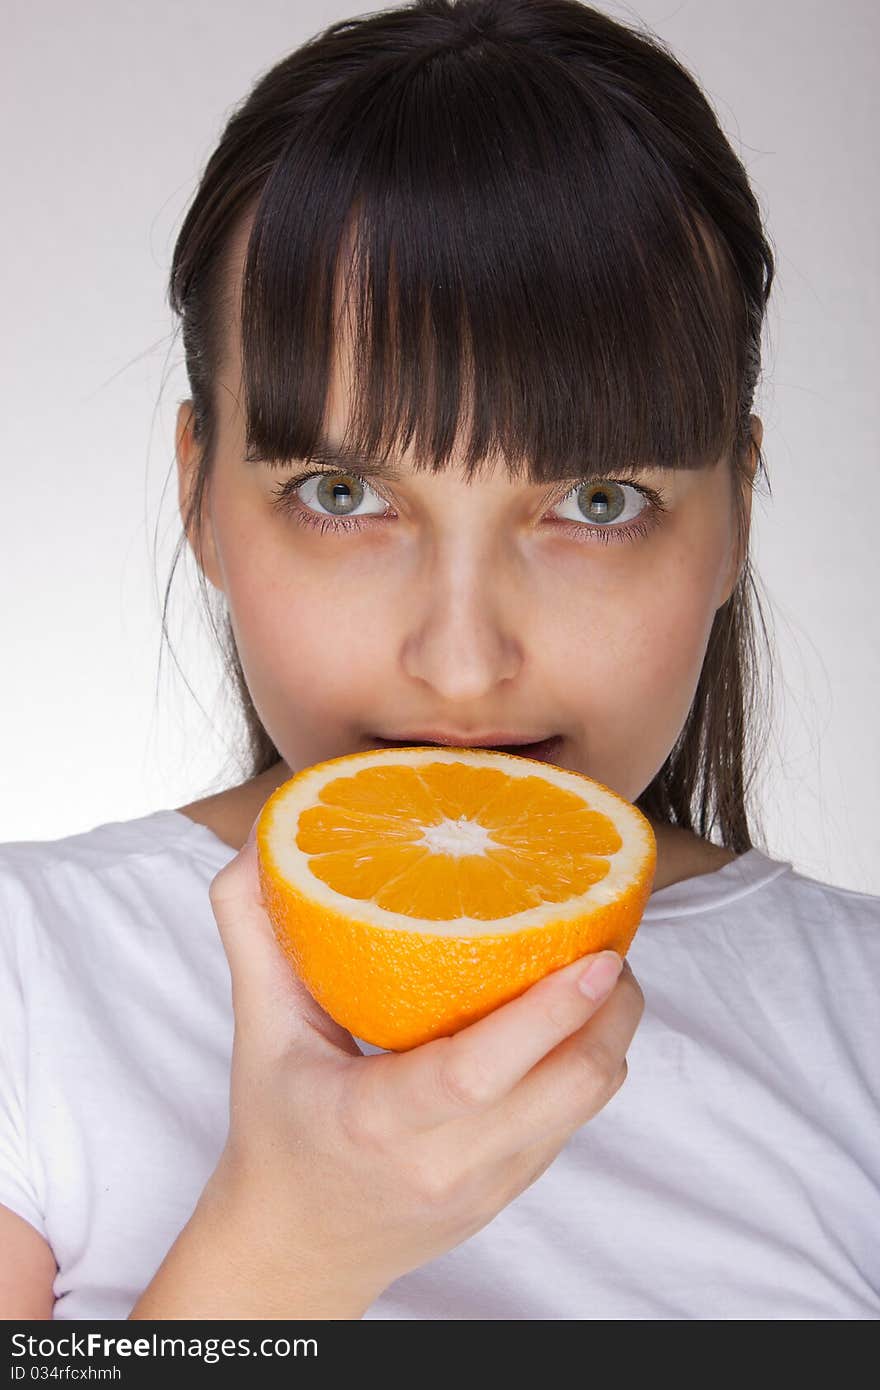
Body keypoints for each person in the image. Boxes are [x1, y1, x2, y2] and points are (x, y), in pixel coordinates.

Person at [1, 0, 878, 1322]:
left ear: (736, 515)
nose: (463, 667)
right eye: (344, 493)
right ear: (200, 498)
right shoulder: (25, 976)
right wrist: (287, 1250)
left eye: (598, 501)